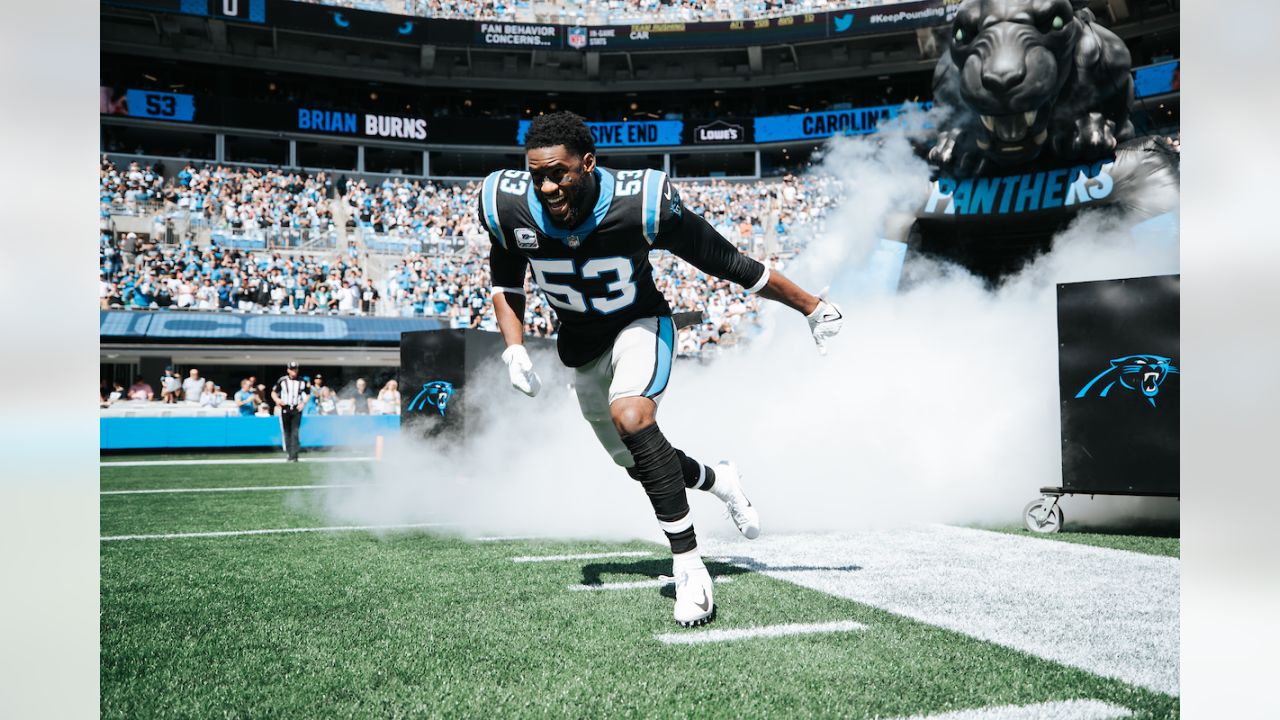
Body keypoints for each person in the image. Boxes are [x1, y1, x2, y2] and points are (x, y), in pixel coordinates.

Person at [479, 112, 843, 628]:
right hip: (582, 347)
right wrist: (513, 347)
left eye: (558, 173)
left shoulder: (640, 204)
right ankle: (719, 481)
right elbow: (506, 280)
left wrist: (809, 306)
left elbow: (729, 262)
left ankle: (690, 568)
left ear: (587, 163)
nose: (546, 186)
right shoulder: (506, 204)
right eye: (536, 174)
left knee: (632, 416)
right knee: (638, 463)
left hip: (639, 324)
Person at [271, 362, 309, 461]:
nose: (294, 371)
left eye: (295, 369)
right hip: (286, 408)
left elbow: (308, 394)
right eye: (292, 369)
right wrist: (277, 400)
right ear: (288, 370)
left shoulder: (302, 381)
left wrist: (303, 403)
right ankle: (289, 453)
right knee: (287, 432)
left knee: (295, 432)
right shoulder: (282, 380)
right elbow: (274, 392)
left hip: (296, 408)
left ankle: (294, 455)